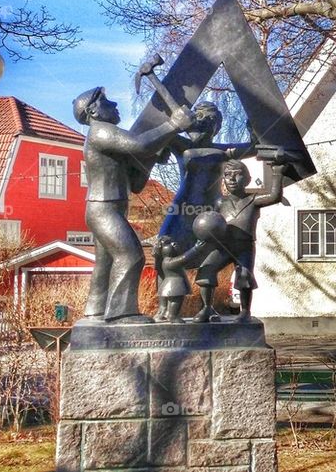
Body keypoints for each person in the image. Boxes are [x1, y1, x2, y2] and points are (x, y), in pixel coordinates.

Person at [73, 86, 194, 322]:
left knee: (106, 262)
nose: (115, 105)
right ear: (93, 111)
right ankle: (122, 314)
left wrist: (151, 158)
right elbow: (139, 144)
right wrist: (174, 125)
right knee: (131, 256)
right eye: (106, 101)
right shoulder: (101, 132)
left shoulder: (108, 142)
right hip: (104, 209)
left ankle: (96, 310)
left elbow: (136, 183)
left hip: (108, 207)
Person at [178, 154, 292, 321]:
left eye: (237, 174)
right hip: (223, 245)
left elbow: (274, 196)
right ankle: (207, 308)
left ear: (247, 179)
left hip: (244, 246)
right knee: (207, 269)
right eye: (227, 174)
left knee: (244, 276)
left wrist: (277, 171)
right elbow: (209, 218)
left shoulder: (253, 199)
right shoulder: (220, 202)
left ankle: (245, 312)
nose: (231, 178)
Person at [152, 101, 253, 284]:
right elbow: (160, 134)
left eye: (211, 119)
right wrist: (162, 148)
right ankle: (166, 307)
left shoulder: (223, 151)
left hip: (212, 212)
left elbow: (254, 147)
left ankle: (208, 307)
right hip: (182, 209)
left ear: (218, 126)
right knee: (164, 250)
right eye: (200, 117)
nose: (205, 122)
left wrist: (255, 128)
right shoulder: (181, 144)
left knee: (216, 257)